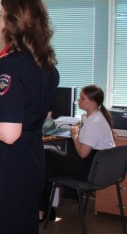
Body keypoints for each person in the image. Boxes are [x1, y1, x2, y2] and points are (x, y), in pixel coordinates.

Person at [0, 0, 59, 234]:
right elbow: (42, 112)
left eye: (1, 16)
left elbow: (8, 133)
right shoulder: (47, 67)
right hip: (31, 159)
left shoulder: (11, 67)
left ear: (12, 23)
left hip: (5, 164)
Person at [40, 84, 115, 220]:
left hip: (89, 171)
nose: (78, 101)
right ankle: (45, 209)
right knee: (49, 162)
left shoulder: (94, 122)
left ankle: (44, 210)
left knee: (46, 158)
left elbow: (82, 153)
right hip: (96, 167)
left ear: (92, 102)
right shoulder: (98, 117)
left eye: (82, 98)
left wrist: (74, 136)